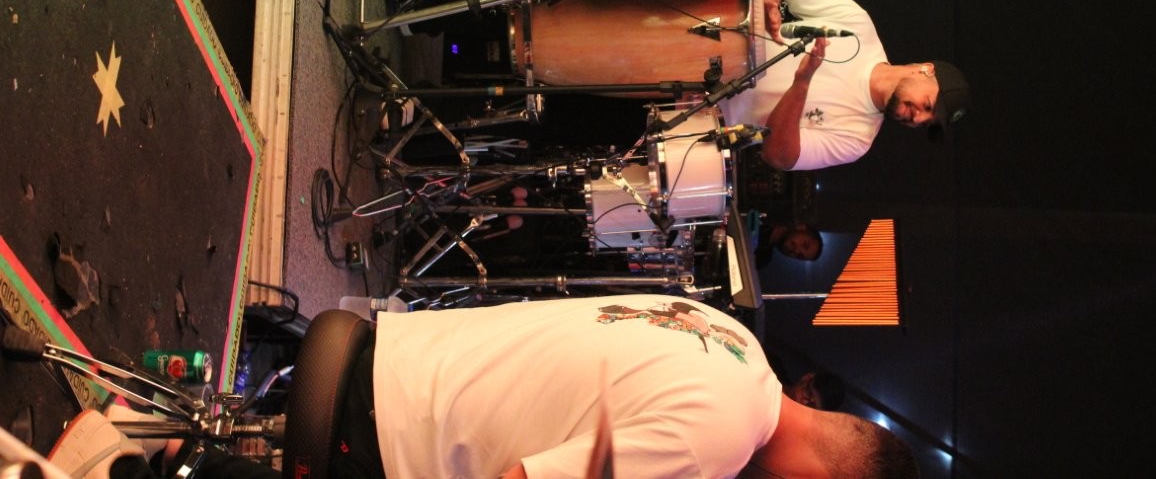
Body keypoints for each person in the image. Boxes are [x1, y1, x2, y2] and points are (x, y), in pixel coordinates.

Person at [45, 295, 918, 479]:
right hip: (392, 433)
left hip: (397, 352)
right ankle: (114, 467)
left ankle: (164, 442)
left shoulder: (735, 342)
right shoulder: (718, 441)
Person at [718, 0, 972, 171]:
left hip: (711, 119)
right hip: (715, 49)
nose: (917, 118)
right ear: (926, 70)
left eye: (926, 123)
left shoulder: (857, 139)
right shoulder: (859, 28)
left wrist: (802, 83)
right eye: (928, 106)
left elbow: (779, 157)